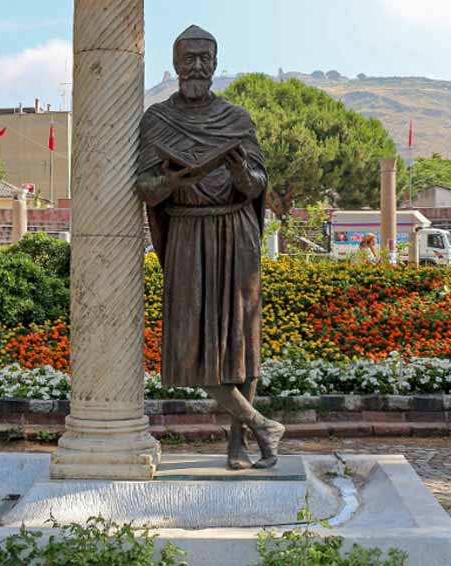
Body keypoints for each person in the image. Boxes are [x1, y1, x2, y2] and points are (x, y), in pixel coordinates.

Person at [135, 25, 284, 470]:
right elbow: (144, 187)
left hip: (235, 233)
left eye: (205, 57)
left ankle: (240, 445)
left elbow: (259, 182)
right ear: (175, 62)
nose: (197, 66)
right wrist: (171, 181)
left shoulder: (237, 120)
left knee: (241, 343)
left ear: (216, 63)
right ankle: (263, 424)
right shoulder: (157, 120)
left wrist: (242, 176)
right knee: (187, 350)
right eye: (188, 58)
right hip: (186, 235)